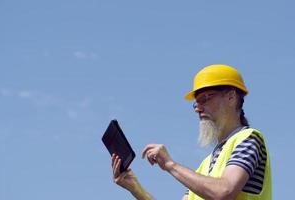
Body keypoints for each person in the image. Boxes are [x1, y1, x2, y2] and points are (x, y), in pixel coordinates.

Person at [111, 64, 272, 200]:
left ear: (231, 97)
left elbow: (224, 191)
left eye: (205, 99)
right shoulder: (204, 166)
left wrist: (170, 165)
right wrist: (136, 189)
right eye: (196, 103)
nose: (198, 108)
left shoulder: (248, 139)